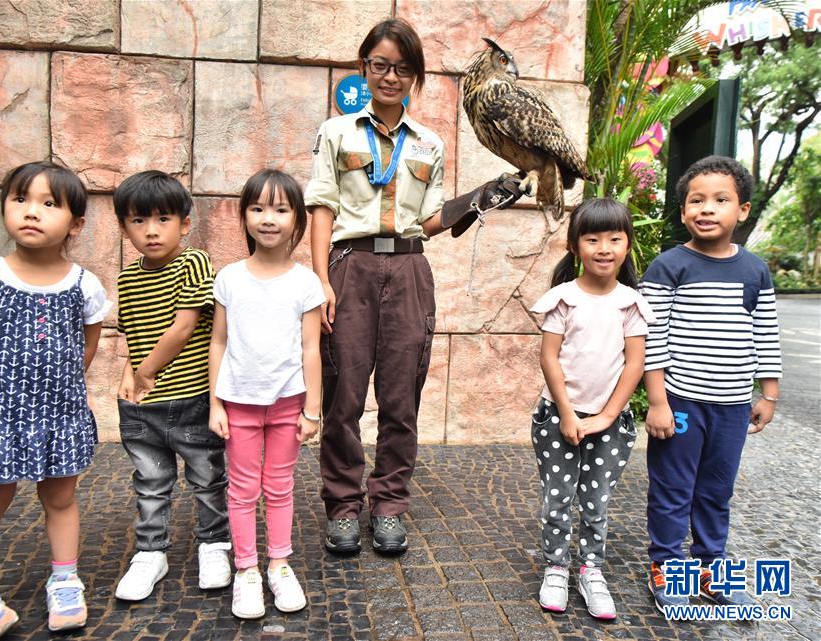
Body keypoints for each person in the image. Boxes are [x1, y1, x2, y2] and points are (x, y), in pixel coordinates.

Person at [305, 17, 525, 555]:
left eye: (402, 68)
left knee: (402, 397)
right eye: (380, 65)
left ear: (415, 77)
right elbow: (321, 208)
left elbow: (427, 221)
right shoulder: (336, 132)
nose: (390, 76)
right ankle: (342, 506)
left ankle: (389, 506)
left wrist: (477, 199)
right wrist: (320, 282)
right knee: (343, 396)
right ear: (364, 69)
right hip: (350, 266)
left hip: (409, 270)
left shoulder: (429, 143)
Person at [0, 161, 111, 638]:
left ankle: (65, 580)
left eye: (48, 203)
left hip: (58, 412)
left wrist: (54, 387)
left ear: (76, 223)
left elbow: (87, 344)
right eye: (20, 200)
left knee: (61, 496)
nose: (31, 212)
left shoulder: (84, 285)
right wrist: (5, 384)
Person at [639, 155, 781, 613]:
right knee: (673, 489)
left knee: (717, 490)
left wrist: (769, 393)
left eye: (721, 200)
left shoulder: (755, 271)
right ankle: (666, 566)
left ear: (742, 211)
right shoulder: (668, 266)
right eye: (696, 201)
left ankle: (710, 568)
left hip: (734, 405)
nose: (706, 209)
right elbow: (650, 338)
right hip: (681, 401)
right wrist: (657, 401)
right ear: (682, 212)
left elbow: (766, 332)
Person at [208, 169, 324, 619]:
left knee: (279, 486)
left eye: (280, 209)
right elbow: (218, 341)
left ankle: (278, 563)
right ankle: (246, 570)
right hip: (237, 403)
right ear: (245, 217)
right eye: (257, 208)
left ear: (296, 220)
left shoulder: (305, 283)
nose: (268, 219)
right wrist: (216, 403)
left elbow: (311, 347)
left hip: (288, 403)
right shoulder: (230, 279)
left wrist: (312, 409)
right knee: (241, 489)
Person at [529, 199, 653, 619]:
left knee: (596, 500)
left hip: (610, 423)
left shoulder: (631, 303)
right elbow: (549, 358)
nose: (604, 247)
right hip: (556, 417)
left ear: (628, 245)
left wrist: (606, 416)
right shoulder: (562, 299)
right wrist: (567, 413)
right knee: (558, 497)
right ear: (574, 245)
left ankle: (591, 569)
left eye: (615, 238)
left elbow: (635, 363)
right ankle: (557, 567)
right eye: (592, 238)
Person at [112, 170, 231, 601]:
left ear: (184, 223)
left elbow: (184, 328)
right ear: (124, 227)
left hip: (192, 398)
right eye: (138, 221)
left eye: (163, 219)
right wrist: (130, 374)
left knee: (207, 477)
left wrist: (145, 373)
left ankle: (215, 544)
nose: (151, 230)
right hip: (141, 406)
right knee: (150, 481)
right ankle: (150, 552)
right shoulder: (127, 278)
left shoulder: (194, 262)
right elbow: (134, 335)